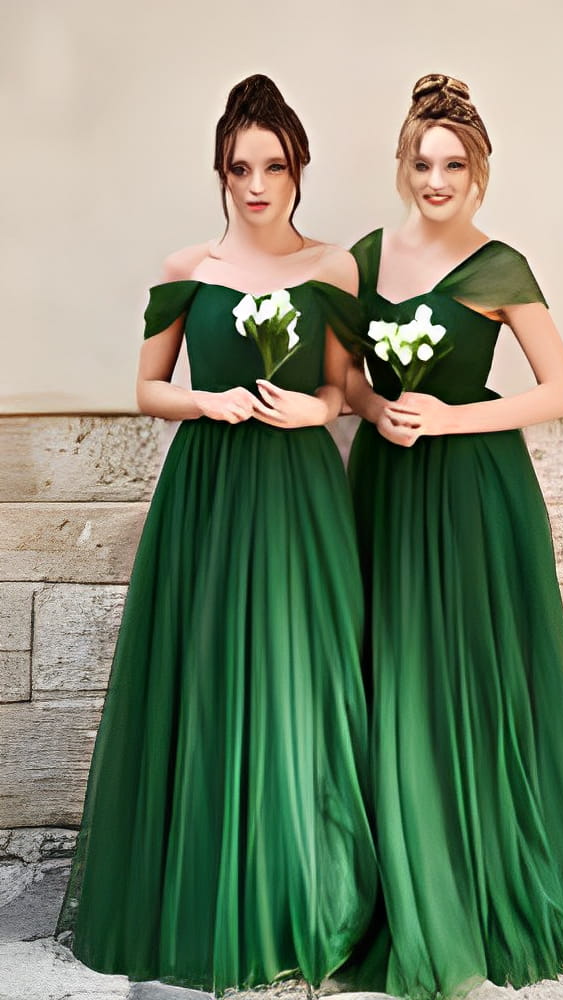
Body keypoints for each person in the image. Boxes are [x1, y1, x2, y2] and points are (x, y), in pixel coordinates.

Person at [55, 74, 376, 997]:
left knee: (299, 676)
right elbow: (147, 388)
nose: (257, 183)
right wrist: (207, 400)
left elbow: (338, 391)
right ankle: (209, 893)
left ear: (298, 168)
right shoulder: (185, 268)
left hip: (301, 495)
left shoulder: (332, 270)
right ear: (221, 172)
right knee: (209, 678)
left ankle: (299, 898)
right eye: (241, 167)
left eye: (274, 165)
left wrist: (304, 413)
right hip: (208, 489)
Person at [343, 73, 563, 998]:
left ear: (479, 173)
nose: (436, 177)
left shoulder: (501, 267)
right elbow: (344, 380)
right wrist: (379, 409)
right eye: (422, 161)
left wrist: (449, 419)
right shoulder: (366, 255)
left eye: (453, 163)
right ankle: (396, 874)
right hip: (386, 484)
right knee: (390, 669)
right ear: (402, 166)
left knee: (460, 674)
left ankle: (471, 876)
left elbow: (559, 391)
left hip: (471, 493)